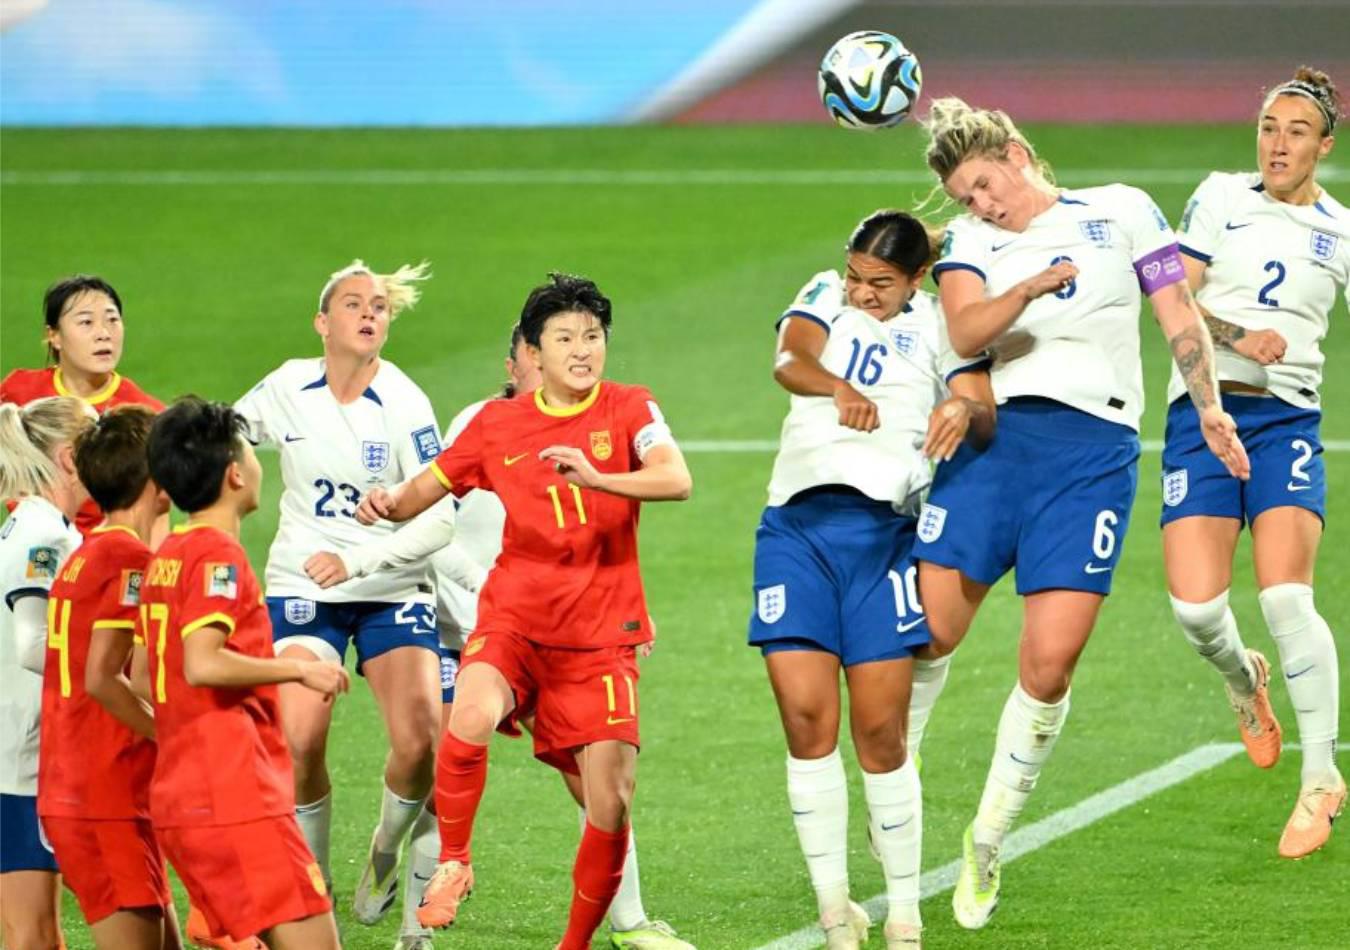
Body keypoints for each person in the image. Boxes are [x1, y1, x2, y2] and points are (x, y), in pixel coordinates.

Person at [907, 97, 1249, 930]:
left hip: (1092, 458)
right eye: (965, 196)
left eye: (985, 183)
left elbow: (1177, 313)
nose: (981, 204)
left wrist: (1208, 407)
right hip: (996, 450)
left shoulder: (1124, 209)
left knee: (1050, 662)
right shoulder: (970, 246)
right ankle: (891, 783)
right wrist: (1025, 284)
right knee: (927, 634)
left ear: (1018, 154)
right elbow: (962, 336)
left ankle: (986, 840)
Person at [304, 323, 696, 949]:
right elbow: (432, 524)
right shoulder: (484, 424)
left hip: (575, 634)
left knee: (601, 789)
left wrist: (624, 615)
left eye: (586, 339)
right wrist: (381, 537)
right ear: (518, 362)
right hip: (478, 626)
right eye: (543, 352)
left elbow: (630, 511)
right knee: (450, 748)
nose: (563, 362)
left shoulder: (609, 413)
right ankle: (408, 906)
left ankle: (627, 921)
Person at [747, 209, 994, 950]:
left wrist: (960, 407)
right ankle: (834, 917)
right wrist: (835, 389)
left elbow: (981, 413)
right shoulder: (823, 291)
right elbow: (789, 360)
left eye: (880, 283)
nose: (862, 293)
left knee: (881, 735)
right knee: (805, 721)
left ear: (917, 279)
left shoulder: (941, 327)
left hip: (883, 539)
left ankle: (905, 920)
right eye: (856, 276)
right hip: (794, 533)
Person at [1164, 66, 1347, 858]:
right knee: (1198, 612)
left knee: (1284, 596)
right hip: (1201, 415)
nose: (1277, 144)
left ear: (1325, 146)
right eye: (1269, 127)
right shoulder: (1219, 196)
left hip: (1286, 425)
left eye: (1296, 131)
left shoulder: (1341, 230)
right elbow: (1173, 298)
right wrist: (1239, 338)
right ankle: (1247, 683)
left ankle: (1321, 779)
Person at [233, 259, 445, 927]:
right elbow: (224, 437)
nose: (370, 313)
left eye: (380, 306)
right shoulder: (286, 385)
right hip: (302, 583)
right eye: (355, 303)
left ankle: (384, 852)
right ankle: (311, 892)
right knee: (299, 737)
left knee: (419, 741)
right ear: (323, 322)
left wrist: (359, 558)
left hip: (386, 581)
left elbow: (442, 513)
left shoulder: (407, 402)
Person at [141, 397, 349, 948]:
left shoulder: (166, 557)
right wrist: (297, 672)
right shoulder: (217, 556)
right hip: (235, 799)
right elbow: (202, 662)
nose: (260, 465)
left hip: (180, 797)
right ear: (235, 474)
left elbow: (142, 675)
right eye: (252, 454)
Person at [36, 405, 180, 949]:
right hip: (102, 795)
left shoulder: (91, 552)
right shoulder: (130, 561)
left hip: (91, 789)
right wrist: (173, 738)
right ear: (154, 479)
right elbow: (103, 677)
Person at [0, 395, 94, 950]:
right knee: (33, 930)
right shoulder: (48, 536)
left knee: (27, 929)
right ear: (68, 458)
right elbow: (33, 644)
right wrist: (112, 685)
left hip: (12, 748)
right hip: (23, 760)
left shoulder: (26, 524)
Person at [1, 275, 164, 536]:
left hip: (105, 558)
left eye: (112, 319)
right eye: (86, 322)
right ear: (54, 336)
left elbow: (158, 511)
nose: (104, 334)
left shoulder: (143, 412)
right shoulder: (18, 390)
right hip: (30, 552)